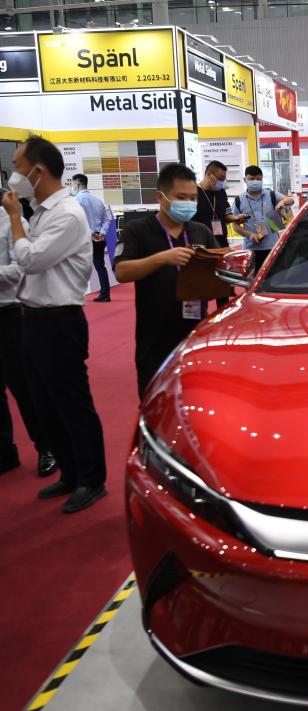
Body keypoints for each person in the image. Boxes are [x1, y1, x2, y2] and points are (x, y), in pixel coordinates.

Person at [2, 136, 107, 512]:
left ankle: (92, 479)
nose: (14, 175)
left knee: (72, 402)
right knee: (45, 403)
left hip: (60, 321)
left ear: (38, 171)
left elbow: (30, 260)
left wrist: (15, 220)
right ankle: (71, 472)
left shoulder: (66, 213)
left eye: (17, 167)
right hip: (33, 319)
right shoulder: (43, 211)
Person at [114, 163, 217, 398]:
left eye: (193, 198)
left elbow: (218, 268)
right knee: (155, 403)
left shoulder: (200, 231)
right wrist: (162, 258)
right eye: (181, 197)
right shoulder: (137, 230)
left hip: (194, 337)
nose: (188, 203)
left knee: (195, 402)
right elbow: (121, 271)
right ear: (161, 197)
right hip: (154, 340)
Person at [1, 206, 56, 477]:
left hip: (9, 312)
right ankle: (5, 453)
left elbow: (21, 268)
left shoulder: (12, 222)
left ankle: (47, 447)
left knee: (23, 387)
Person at [232, 165, 294, 273]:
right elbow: (235, 226)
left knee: (273, 277)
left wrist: (282, 202)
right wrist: (249, 235)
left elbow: (291, 200)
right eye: (251, 179)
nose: (255, 181)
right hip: (250, 249)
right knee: (253, 279)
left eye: (258, 179)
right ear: (245, 180)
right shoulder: (239, 200)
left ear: (262, 179)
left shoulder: (271, 194)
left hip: (272, 247)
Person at [70, 174, 114, 302]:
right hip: (99, 238)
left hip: (84, 238)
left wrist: (91, 233)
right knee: (100, 265)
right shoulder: (98, 200)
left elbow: (79, 220)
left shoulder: (76, 200)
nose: (72, 187)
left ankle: (76, 295)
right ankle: (105, 294)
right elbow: (107, 218)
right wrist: (102, 232)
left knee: (78, 266)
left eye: (72, 184)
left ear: (77, 184)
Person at [194, 160, 247, 247]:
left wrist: (235, 218)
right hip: (201, 244)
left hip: (221, 243)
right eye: (220, 178)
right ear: (208, 174)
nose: (222, 182)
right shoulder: (193, 192)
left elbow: (227, 214)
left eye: (224, 179)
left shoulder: (221, 192)